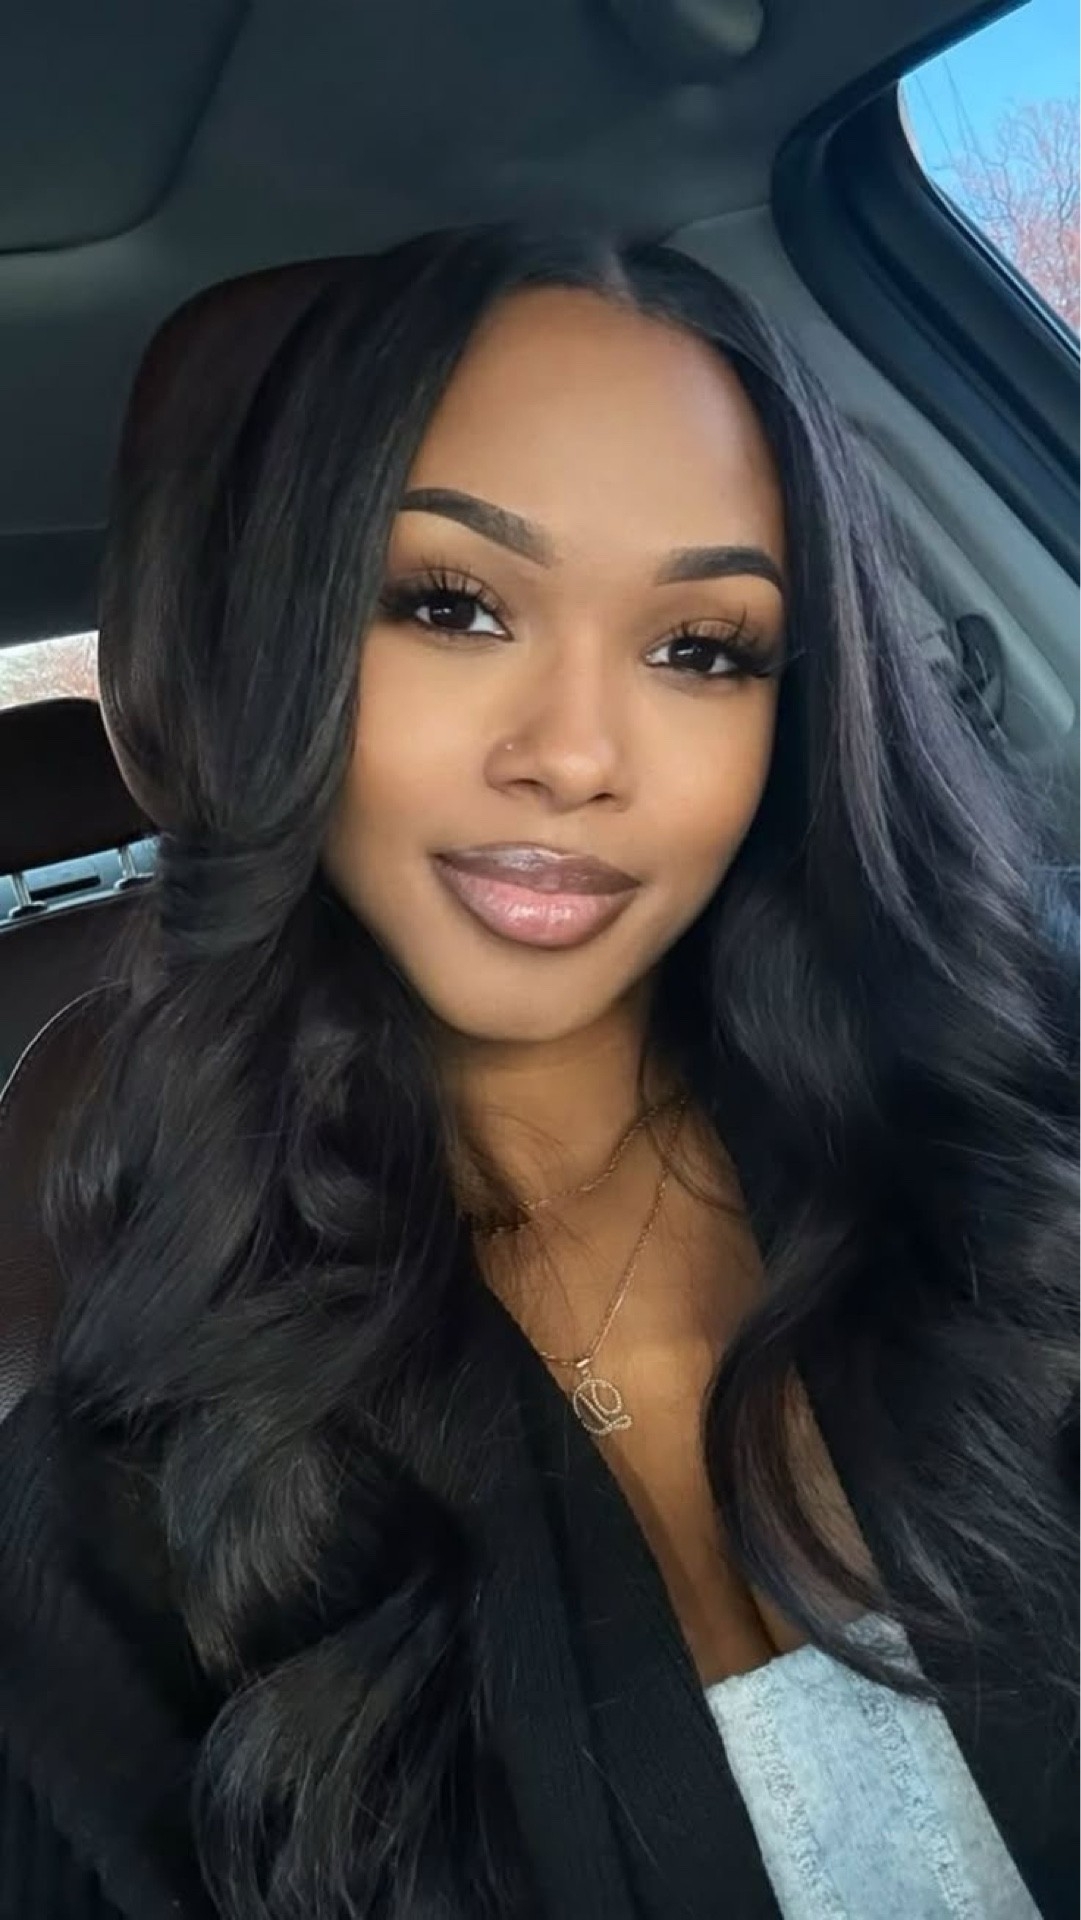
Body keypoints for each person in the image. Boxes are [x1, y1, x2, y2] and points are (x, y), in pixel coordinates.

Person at [0, 227, 1076, 1920]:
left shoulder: (1019, 1152)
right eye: (451, 605)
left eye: (702, 646)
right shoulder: (99, 1535)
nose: (574, 755)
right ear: (278, 653)